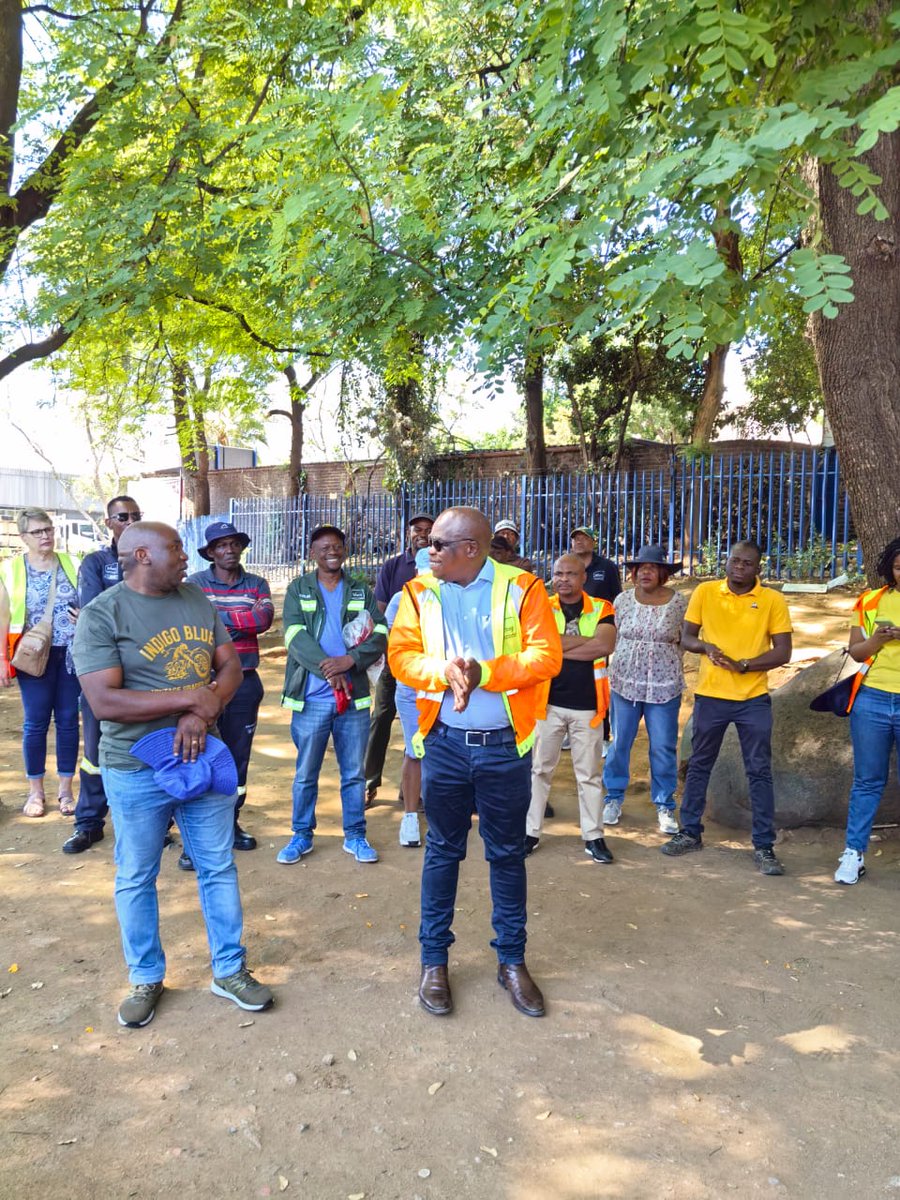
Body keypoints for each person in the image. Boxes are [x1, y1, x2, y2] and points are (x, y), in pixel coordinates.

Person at [72, 522, 273, 1028]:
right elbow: (104, 701)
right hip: (136, 768)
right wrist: (189, 697)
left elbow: (228, 667)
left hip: (202, 756)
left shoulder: (196, 599)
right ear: (142, 554)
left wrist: (199, 715)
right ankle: (146, 977)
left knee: (217, 865)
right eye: (177, 549)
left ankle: (229, 970)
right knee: (137, 874)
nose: (187, 557)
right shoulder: (102, 614)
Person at [389, 507, 562, 1018]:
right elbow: (401, 656)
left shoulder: (523, 588)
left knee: (507, 854)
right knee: (442, 852)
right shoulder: (419, 591)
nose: (428, 550)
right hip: (443, 745)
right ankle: (434, 962)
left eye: (439, 544)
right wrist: (443, 670)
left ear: (471, 548)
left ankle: (511, 961)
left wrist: (484, 670)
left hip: (505, 747)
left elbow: (546, 656)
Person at [661, 540, 792, 875]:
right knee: (700, 764)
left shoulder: (772, 600)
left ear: (757, 568)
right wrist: (706, 647)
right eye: (734, 560)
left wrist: (745, 665)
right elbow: (686, 637)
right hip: (711, 696)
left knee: (759, 771)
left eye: (747, 563)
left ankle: (764, 846)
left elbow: (783, 653)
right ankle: (690, 831)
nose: (739, 567)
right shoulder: (705, 592)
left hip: (753, 699)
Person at [278, 524, 387, 865]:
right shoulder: (299, 589)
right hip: (311, 698)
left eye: (337, 545)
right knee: (305, 773)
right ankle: (301, 835)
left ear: (345, 550)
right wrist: (330, 667)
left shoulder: (359, 590)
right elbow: (294, 636)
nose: (332, 551)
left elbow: (380, 633)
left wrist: (349, 662)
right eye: (324, 546)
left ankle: (355, 835)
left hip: (353, 698)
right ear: (313, 553)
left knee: (353, 773)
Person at [185, 520, 274, 870]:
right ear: (209, 552)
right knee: (196, 753)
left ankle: (230, 824)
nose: (229, 550)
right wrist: (239, 617)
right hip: (200, 683)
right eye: (220, 545)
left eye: (234, 543)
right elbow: (191, 621)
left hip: (244, 680)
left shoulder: (257, 583)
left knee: (237, 758)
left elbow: (263, 619)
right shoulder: (194, 585)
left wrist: (216, 618)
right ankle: (194, 837)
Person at [63, 495, 142, 854]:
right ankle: (89, 822)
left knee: (147, 749)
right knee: (95, 753)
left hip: (146, 673)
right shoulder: (95, 562)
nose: (130, 521)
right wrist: (135, 620)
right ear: (109, 522)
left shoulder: (151, 559)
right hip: (102, 675)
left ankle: (155, 825)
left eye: (136, 516)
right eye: (122, 516)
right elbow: (93, 612)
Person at [525, 554, 616, 862]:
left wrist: (557, 648)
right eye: (558, 573)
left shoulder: (602, 608)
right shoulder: (542, 606)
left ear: (583, 577)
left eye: (570, 574)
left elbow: (604, 646)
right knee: (539, 770)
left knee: (589, 774)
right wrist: (579, 643)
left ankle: (594, 836)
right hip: (547, 704)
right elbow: (538, 645)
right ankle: (530, 832)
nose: (563, 579)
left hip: (588, 707)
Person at [602, 544, 689, 835]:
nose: (645, 572)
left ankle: (665, 805)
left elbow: (684, 640)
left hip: (664, 686)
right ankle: (613, 797)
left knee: (663, 747)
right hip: (625, 683)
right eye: (640, 568)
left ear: (663, 573)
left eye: (652, 568)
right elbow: (614, 635)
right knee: (619, 743)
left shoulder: (679, 603)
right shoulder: (622, 600)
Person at [0, 508, 80, 817]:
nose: (45, 536)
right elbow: (3, 617)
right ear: (23, 538)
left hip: (70, 655)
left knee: (68, 722)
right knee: (35, 724)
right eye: (37, 532)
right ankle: (35, 792)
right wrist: (3, 658)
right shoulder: (10, 570)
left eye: (48, 530)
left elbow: (90, 601)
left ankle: (65, 789)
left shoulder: (73, 563)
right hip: (31, 657)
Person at [834, 537, 900, 885]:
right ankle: (853, 853)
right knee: (867, 781)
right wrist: (880, 639)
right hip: (872, 699)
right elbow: (856, 652)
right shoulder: (870, 601)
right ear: (890, 568)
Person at [364, 511, 433, 811]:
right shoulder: (394, 566)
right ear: (408, 532)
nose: (422, 533)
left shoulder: (441, 562)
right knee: (381, 716)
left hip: (427, 665)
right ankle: (369, 782)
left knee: (420, 725)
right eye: (417, 528)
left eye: (428, 530)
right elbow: (380, 615)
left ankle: (412, 790)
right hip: (394, 660)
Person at [383, 547, 433, 848]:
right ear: (417, 573)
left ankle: (442, 812)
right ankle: (411, 817)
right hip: (412, 688)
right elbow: (393, 643)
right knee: (416, 749)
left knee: (445, 752)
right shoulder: (401, 600)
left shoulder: (455, 596)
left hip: (446, 688)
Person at [570, 525, 621, 754]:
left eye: (584, 538)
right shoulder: (567, 565)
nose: (579, 542)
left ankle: (602, 735)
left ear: (593, 542)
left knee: (598, 684)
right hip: (570, 633)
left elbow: (617, 599)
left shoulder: (607, 567)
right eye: (575, 538)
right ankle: (571, 735)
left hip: (599, 636)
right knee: (569, 682)